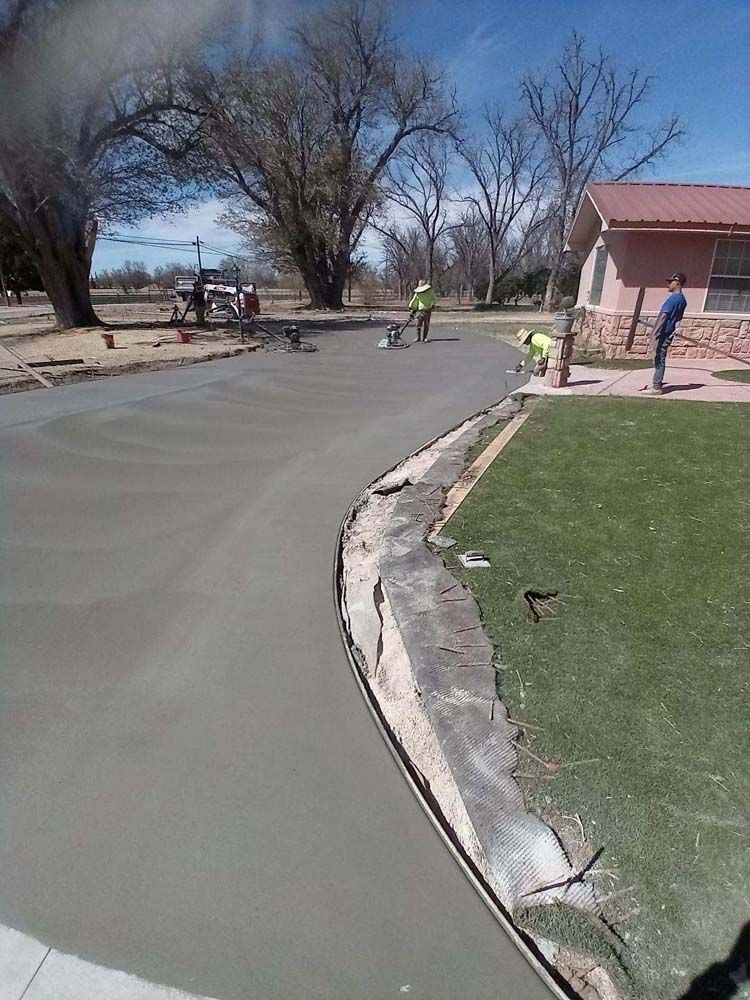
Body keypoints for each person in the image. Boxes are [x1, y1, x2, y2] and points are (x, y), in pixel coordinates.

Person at [644, 272, 687, 395]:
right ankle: (656, 383)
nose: (668, 284)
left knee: (659, 358)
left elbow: (664, 316)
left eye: (670, 282)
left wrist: (654, 333)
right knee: (659, 357)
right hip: (669, 332)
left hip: (663, 333)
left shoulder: (673, 299)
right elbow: (678, 318)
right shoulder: (683, 300)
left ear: (677, 283)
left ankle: (657, 387)